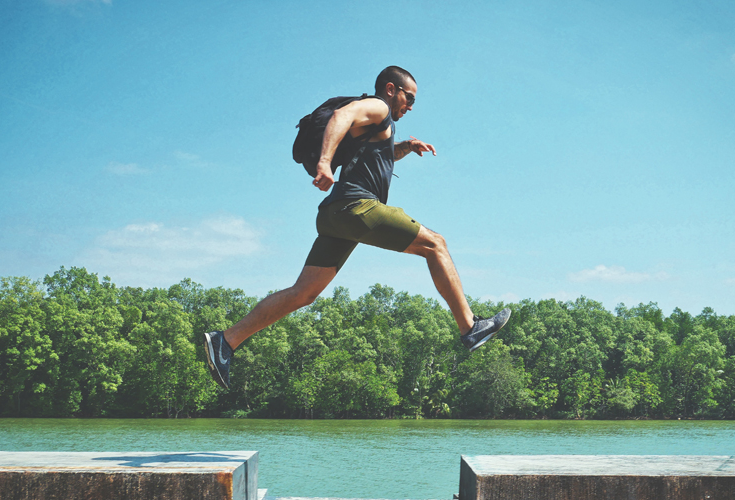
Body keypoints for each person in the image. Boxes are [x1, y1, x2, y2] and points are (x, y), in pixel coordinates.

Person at [204, 66, 511, 389]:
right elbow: (342, 116)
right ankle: (470, 327)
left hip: (335, 216)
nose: (410, 106)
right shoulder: (377, 106)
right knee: (435, 244)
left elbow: (375, 157)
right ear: (391, 89)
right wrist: (324, 162)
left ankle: (226, 341)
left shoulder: (377, 127)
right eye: (410, 98)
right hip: (356, 207)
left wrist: (404, 148)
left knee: (303, 293)